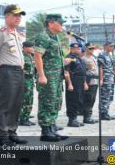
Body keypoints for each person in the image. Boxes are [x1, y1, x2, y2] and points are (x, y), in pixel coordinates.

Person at [0, 4, 27, 146]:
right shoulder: (1, 33)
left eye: (20, 15)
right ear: (7, 16)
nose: (18, 18)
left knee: (16, 104)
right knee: (5, 104)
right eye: (15, 15)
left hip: (19, 71)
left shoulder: (17, 34)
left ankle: (11, 132)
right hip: (7, 71)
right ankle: (1, 136)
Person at [34, 13, 71, 141]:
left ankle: (51, 128)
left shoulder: (55, 37)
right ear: (51, 23)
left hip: (56, 76)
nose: (62, 25)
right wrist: (42, 75)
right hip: (48, 76)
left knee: (55, 102)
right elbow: (37, 56)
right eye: (60, 23)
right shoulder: (43, 37)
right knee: (46, 102)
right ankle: (45, 131)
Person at [64, 43, 88, 127]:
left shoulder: (78, 58)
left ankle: (75, 118)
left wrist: (85, 83)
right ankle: (71, 120)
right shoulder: (69, 57)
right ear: (72, 49)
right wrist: (69, 84)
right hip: (73, 81)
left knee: (79, 100)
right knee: (72, 101)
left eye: (79, 48)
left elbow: (83, 72)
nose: (79, 50)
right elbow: (66, 72)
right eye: (77, 48)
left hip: (80, 81)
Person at [98, 41, 115, 121]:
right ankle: (102, 113)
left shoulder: (110, 55)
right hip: (105, 79)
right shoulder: (102, 56)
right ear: (105, 46)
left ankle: (106, 112)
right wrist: (101, 79)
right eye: (111, 46)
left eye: (113, 46)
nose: (112, 48)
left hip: (110, 79)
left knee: (110, 96)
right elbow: (100, 68)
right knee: (104, 96)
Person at [19, 41, 36, 126]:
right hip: (24, 80)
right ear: (25, 48)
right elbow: (19, 70)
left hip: (30, 81)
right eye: (31, 47)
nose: (33, 49)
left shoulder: (30, 56)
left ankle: (26, 116)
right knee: (24, 100)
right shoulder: (21, 56)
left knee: (29, 99)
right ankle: (22, 119)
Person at [81, 43, 99, 124]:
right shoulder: (83, 59)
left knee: (93, 99)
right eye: (90, 48)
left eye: (92, 48)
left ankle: (90, 115)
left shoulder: (94, 58)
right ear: (85, 49)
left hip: (95, 81)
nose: (92, 50)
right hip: (89, 82)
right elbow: (83, 73)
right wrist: (85, 83)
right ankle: (86, 117)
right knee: (88, 99)